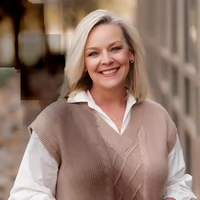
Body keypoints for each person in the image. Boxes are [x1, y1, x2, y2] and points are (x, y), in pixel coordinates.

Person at [9, 9, 197, 200]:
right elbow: (26, 193)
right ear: (83, 63)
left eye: (115, 48)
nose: (107, 60)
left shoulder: (158, 117)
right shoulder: (55, 120)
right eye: (93, 53)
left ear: (130, 54)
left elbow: (177, 184)